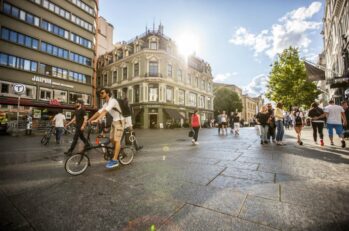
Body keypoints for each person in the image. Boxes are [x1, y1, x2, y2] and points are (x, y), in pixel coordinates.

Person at [88, 88, 124, 168]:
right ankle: (119, 151)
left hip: (120, 121)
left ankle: (115, 160)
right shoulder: (106, 103)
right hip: (114, 122)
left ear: (107, 93)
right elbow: (99, 112)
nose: (100, 94)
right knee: (111, 139)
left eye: (102, 93)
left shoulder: (112, 101)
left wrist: (97, 120)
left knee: (116, 140)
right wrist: (90, 119)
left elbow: (105, 112)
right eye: (99, 93)